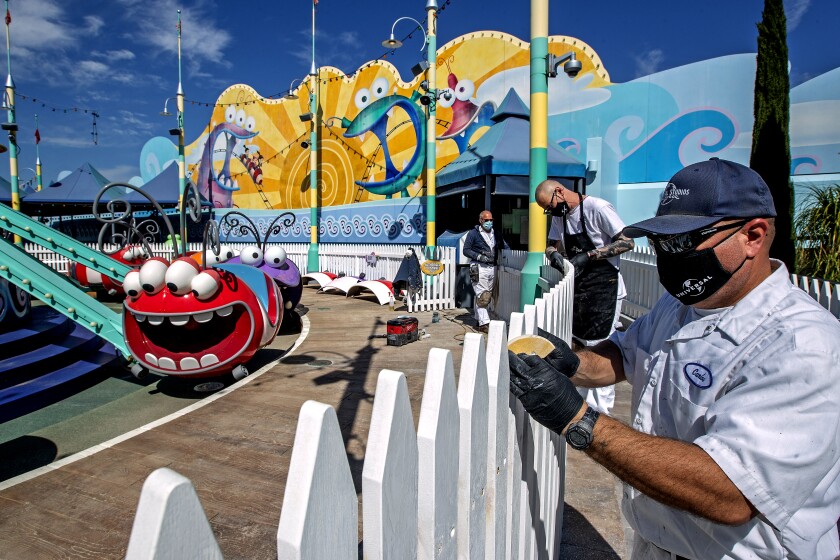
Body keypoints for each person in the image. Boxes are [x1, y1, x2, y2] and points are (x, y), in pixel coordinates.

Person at [509, 158, 840, 559]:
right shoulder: (682, 305)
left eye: (684, 241)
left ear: (753, 236)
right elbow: (625, 353)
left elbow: (730, 492)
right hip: (657, 543)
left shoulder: (802, 346)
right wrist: (574, 364)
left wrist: (578, 421)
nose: (669, 255)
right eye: (662, 242)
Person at [535, 179, 634, 415]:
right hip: (580, 288)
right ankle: (582, 405)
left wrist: (590, 255)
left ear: (559, 191)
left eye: (550, 206)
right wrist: (554, 256)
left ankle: (601, 411)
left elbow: (627, 241)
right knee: (580, 344)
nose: (551, 212)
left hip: (605, 287)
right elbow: (551, 246)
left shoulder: (598, 208)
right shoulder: (561, 216)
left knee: (601, 346)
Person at [462, 210, 508, 333]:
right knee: (482, 295)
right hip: (478, 267)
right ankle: (484, 323)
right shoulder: (473, 234)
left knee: (486, 295)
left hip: (492, 267)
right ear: (480, 220)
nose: (489, 222)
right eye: (486, 220)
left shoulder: (496, 233)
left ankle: (478, 320)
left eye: (491, 220)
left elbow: (504, 246)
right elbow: (466, 250)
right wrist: (479, 256)